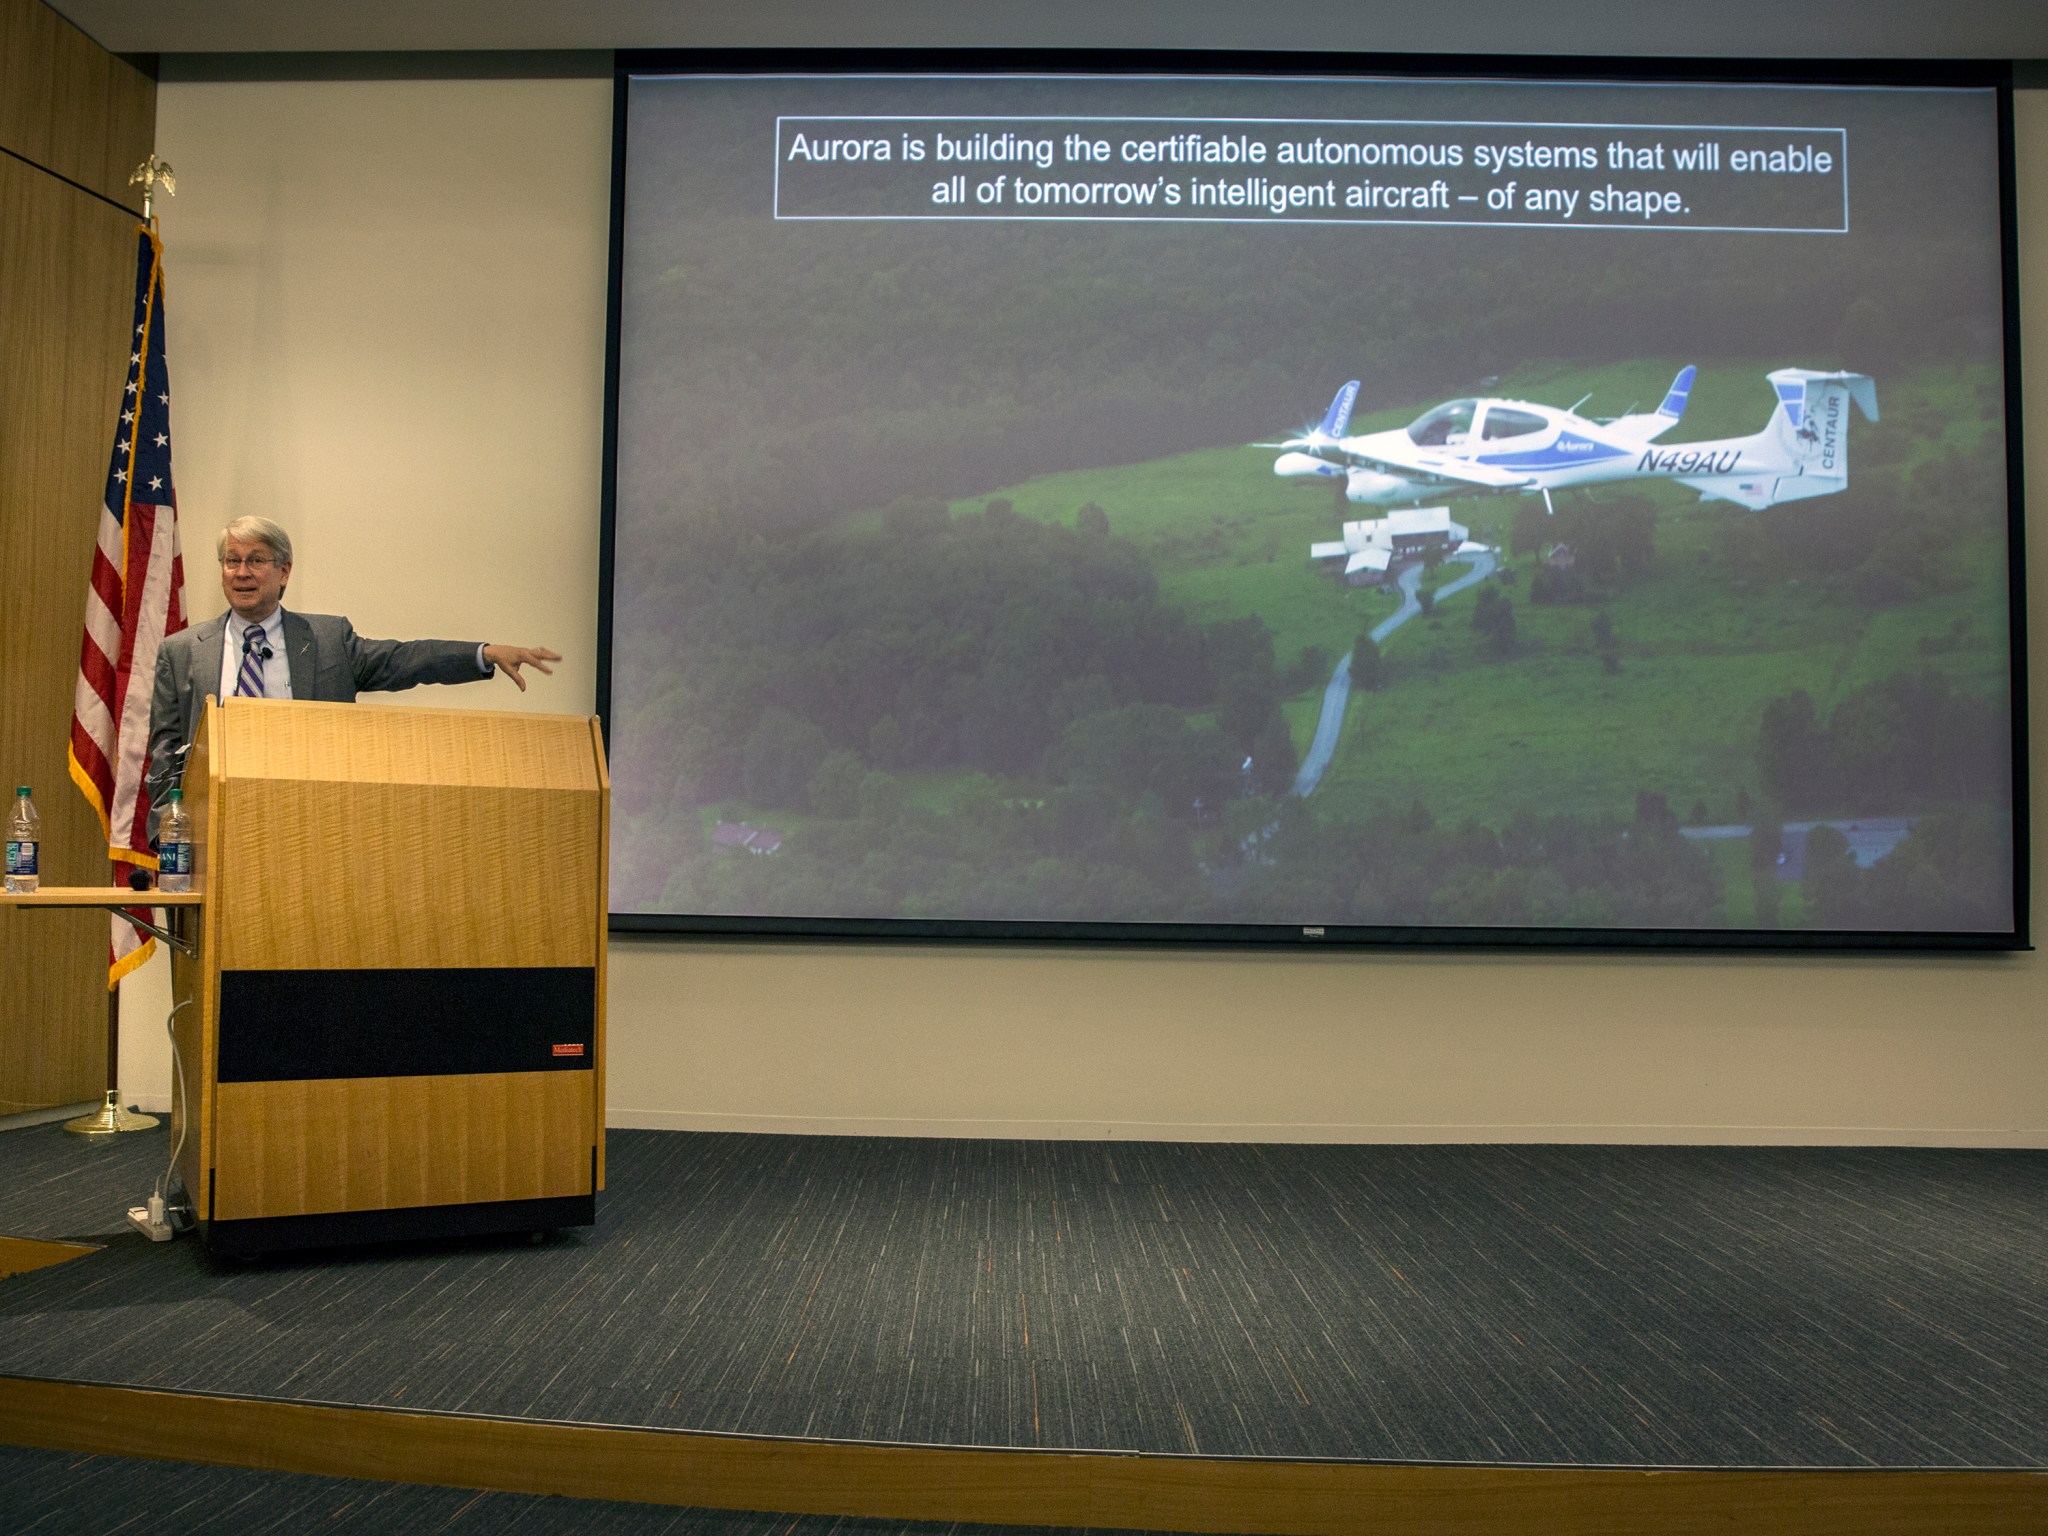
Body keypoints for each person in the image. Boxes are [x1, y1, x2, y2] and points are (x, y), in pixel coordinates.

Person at [145, 516, 561, 832]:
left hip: (312, 823)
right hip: (212, 831)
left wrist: (482, 653)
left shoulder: (328, 640)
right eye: (231, 561)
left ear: (284, 571)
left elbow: (404, 660)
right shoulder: (182, 651)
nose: (241, 573)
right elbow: (165, 752)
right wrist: (168, 833)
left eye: (256, 561)